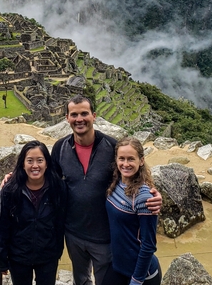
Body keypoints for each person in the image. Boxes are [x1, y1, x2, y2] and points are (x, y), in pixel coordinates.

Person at [50, 95, 162, 285]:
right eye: (74, 114)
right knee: (81, 280)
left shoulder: (110, 146)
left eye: (84, 113)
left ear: (94, 116)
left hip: (104, 237)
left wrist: (152, 192)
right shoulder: (60, 148)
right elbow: (49, 181)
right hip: (73, 232)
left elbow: (130, 170)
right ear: (67, 118)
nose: (79, 119)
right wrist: (13, 179)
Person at [0, 141, 67, 285]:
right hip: (18, 255)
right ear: (23, 164)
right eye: (30, 161)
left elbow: (60, 222)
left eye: (40, 160)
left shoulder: (58, 187)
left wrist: (57, 251)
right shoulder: (11, 190)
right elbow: (3, 225)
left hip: (48, 255)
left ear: (47, 163)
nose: (35, 166)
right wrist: (2, 258)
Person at [104, 138, 161, 284]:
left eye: (131, 159)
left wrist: (136, 281)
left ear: (141, 161)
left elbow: (148, 245)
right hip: (118, 266)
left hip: (140, 274)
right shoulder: (116, 183)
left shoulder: (143, 197)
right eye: (121, 158)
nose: (125, 164)